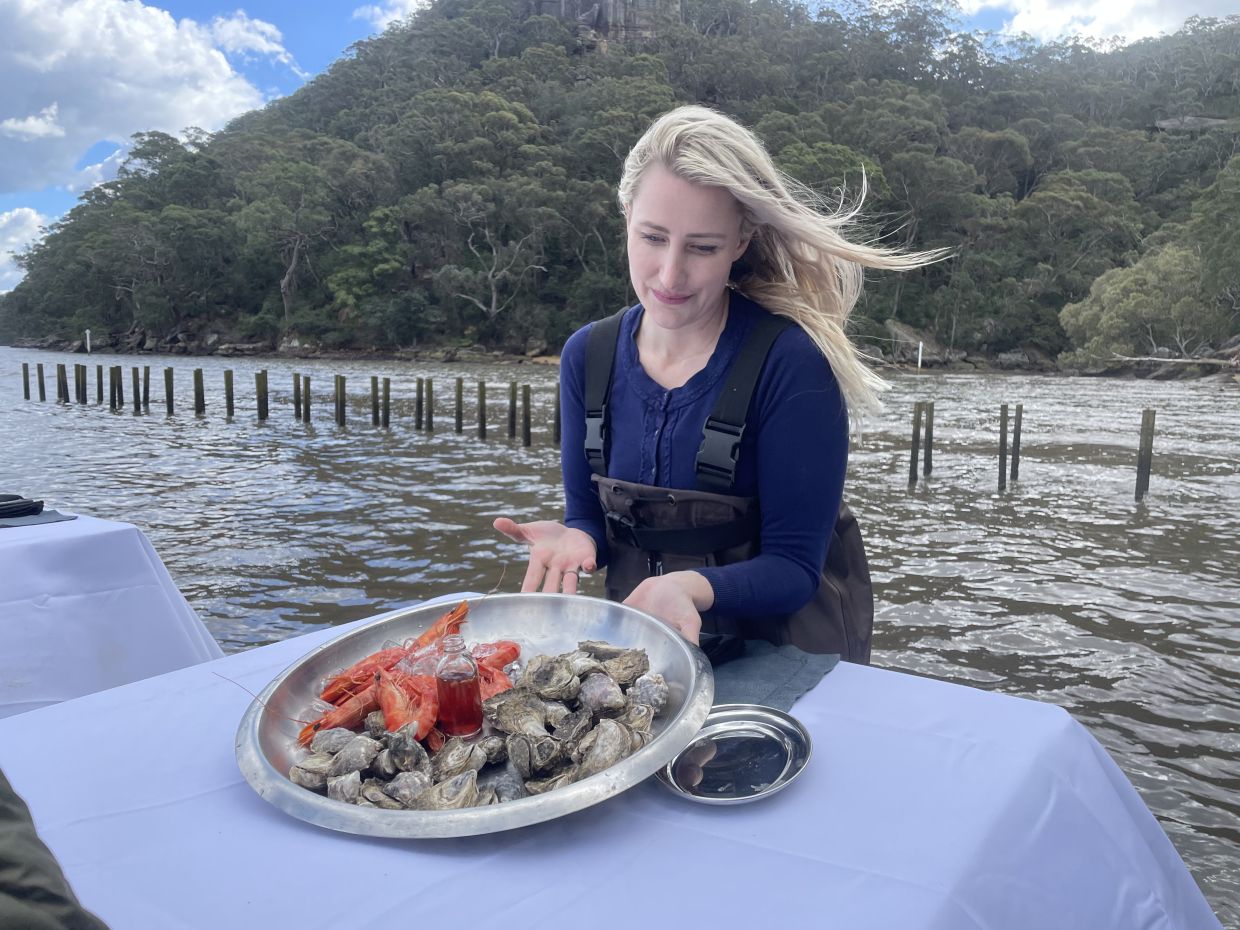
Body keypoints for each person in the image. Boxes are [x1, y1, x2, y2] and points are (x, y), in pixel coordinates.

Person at [493, 105, 933, 661]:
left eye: (703, 248)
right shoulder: (588, 356)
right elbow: (589, 516)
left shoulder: (790, 363)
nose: (671, 275)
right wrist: (579, 539)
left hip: (781, 659)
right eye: (653, 237)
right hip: (643, 655)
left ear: (742, 240)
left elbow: (797, 568)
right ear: (626, 214)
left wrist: (690, 588)